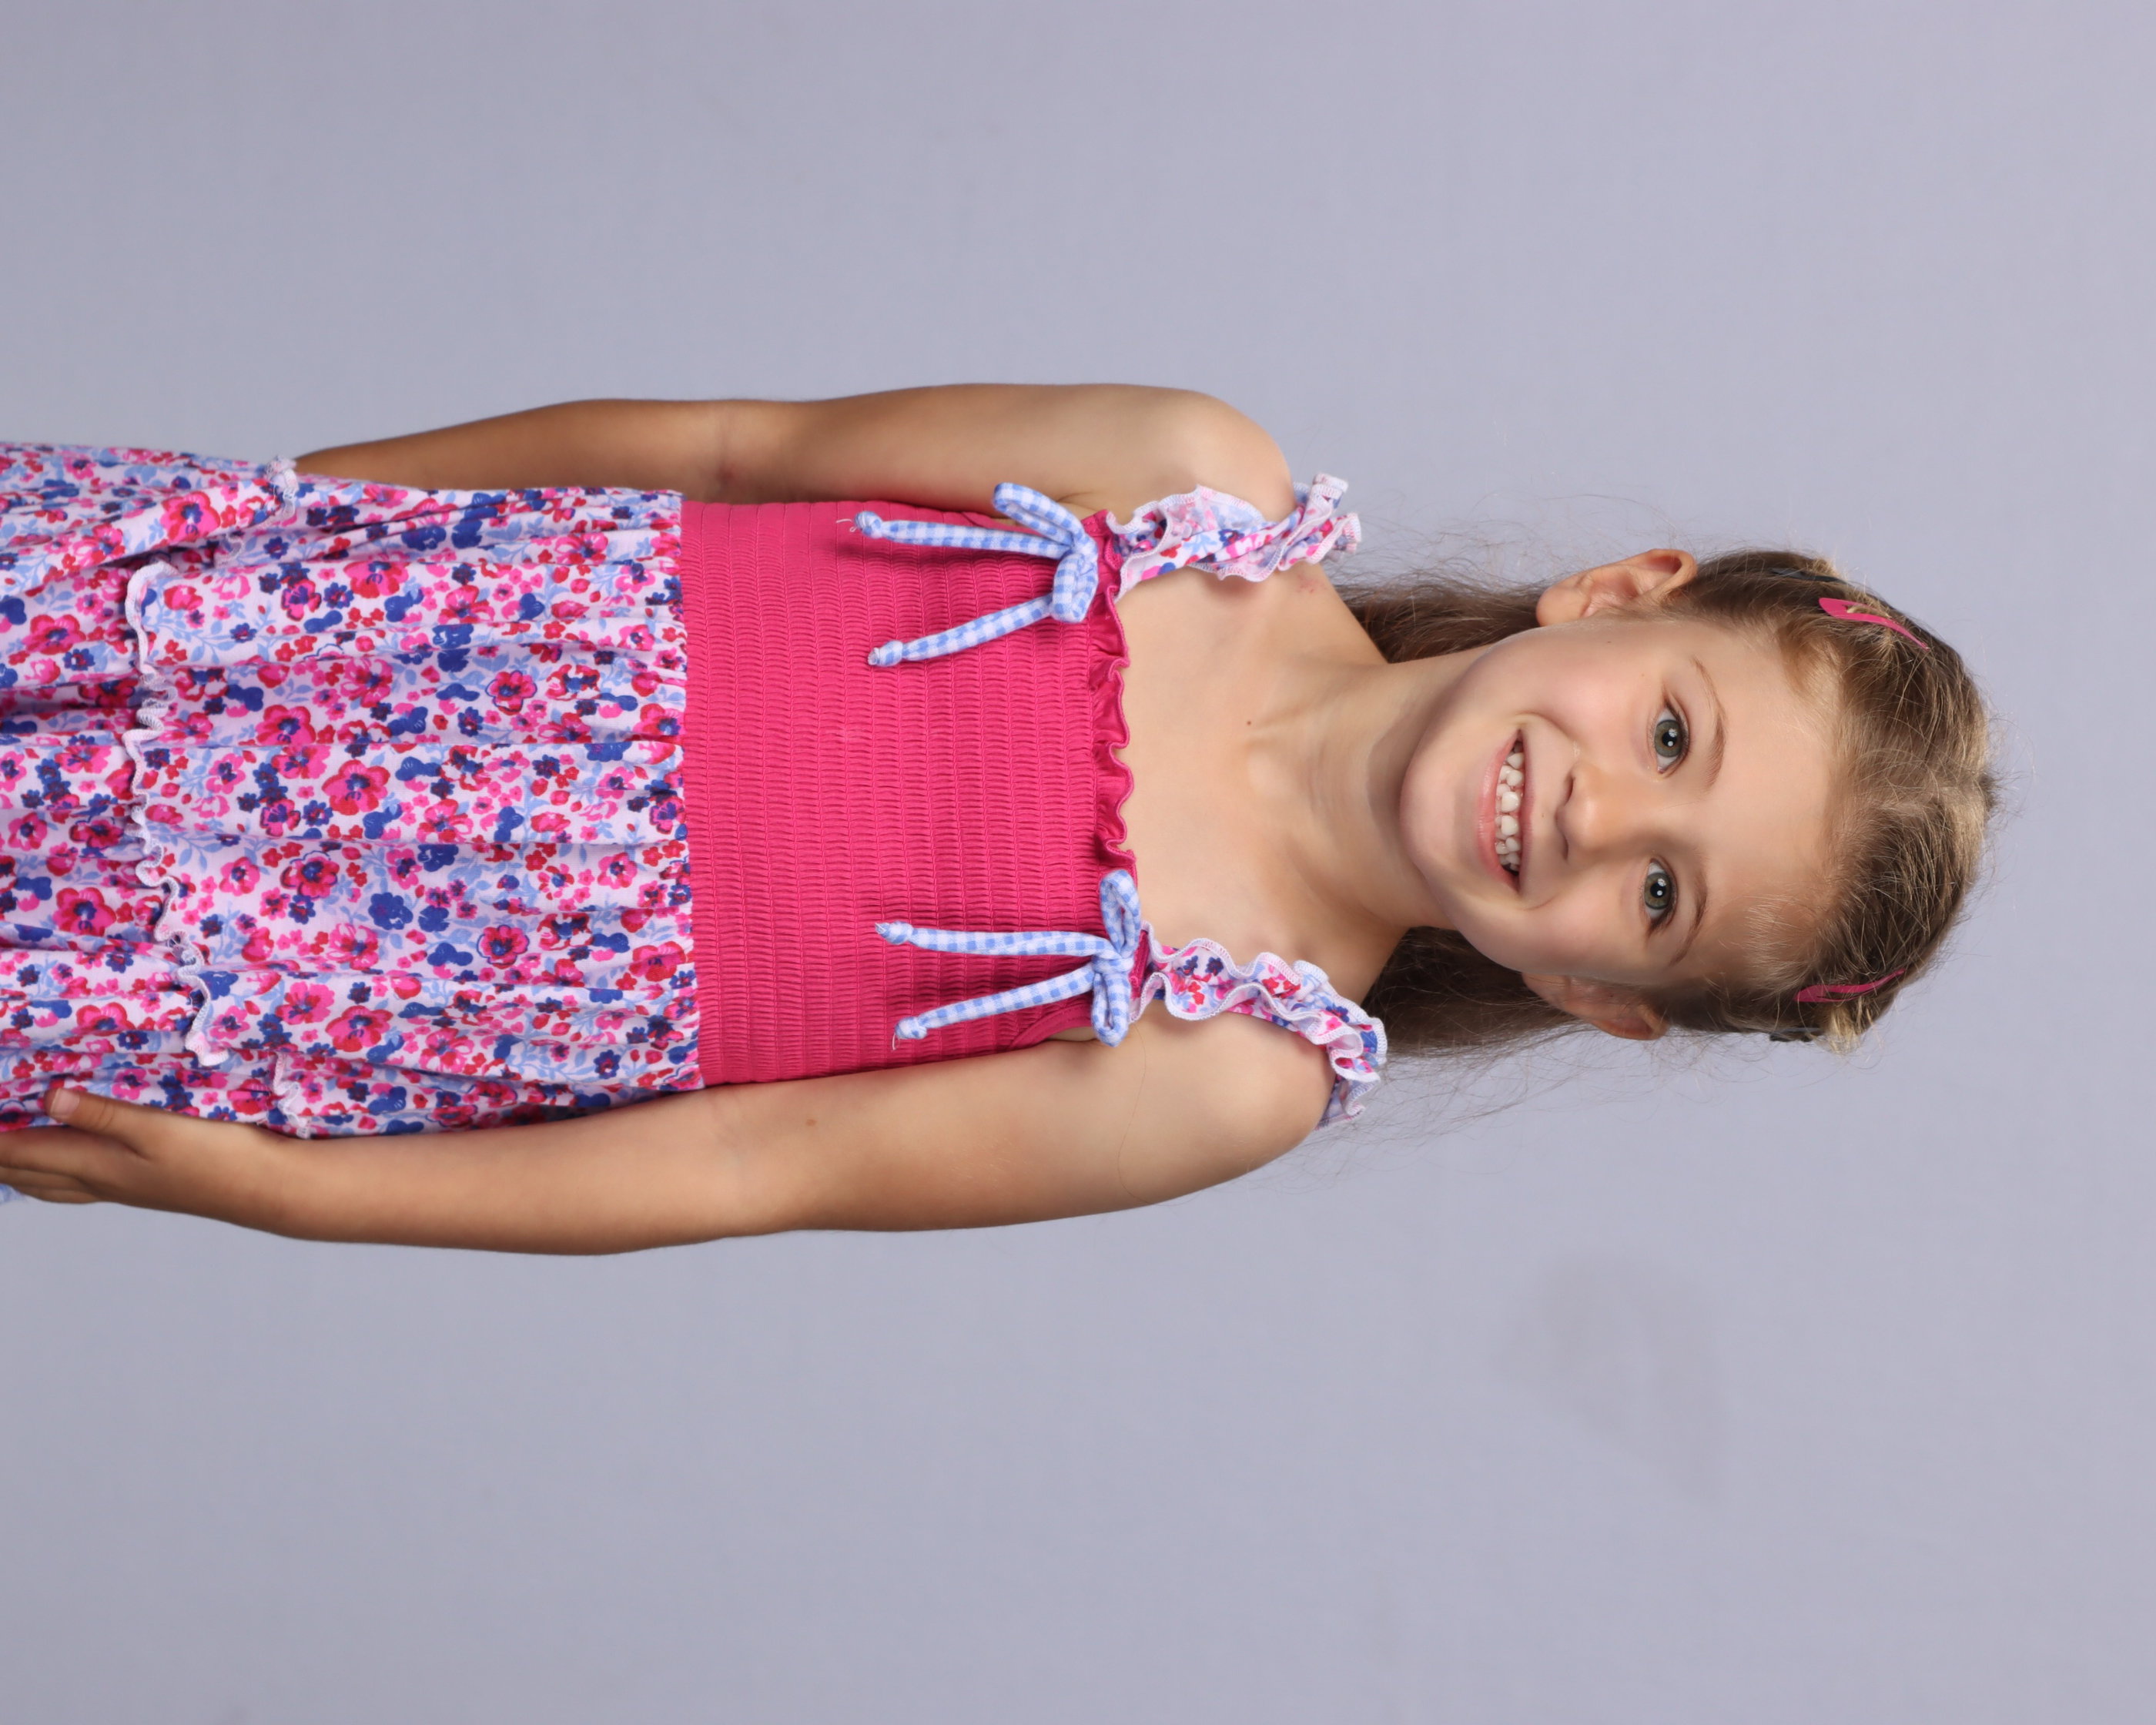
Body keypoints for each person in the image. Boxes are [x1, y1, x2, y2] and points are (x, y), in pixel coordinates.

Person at [0, 387, 1995, 1250]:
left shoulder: (1227, 1064)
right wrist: (302, 509)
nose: (1597, 816)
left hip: (313, 970)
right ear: (1626, 593)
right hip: (306, 627)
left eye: (1660, 895)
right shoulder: (1182, 488)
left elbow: (752, 1165)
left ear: (1602, 998)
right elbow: (733, 453)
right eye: (1672, 731)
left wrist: (284, 1190)